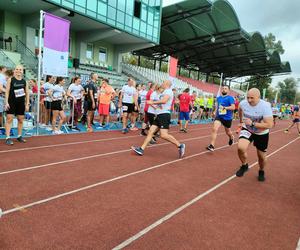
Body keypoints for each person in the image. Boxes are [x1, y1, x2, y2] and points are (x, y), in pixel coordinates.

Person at [131, 80, 186, 158]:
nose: (162, 84)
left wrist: (152, 103)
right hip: (159, 114)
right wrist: (156, 105)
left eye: (163, 82)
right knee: (151, 131)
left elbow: (164, 101)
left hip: (164, 115)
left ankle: (180, 145)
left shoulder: (168, 91)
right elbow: (162, 103)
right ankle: (141, 149)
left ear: (167, 84)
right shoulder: (164, 92)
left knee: (163, 135)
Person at [235, 88, 273, 182]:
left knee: (261, 157)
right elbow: (239, 109)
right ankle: (244, 165)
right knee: (241, 147)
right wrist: (240, 121)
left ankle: (261, 170)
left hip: (261, 132)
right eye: (248, 97)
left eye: (252, 98)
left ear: (259, 97)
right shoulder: (243, 103)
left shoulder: (265, 106)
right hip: (248, 129)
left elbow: (269, 125)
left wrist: (252, 123)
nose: (249, 100)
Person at [4, 65, 30, 145]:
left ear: (22, 71)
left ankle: (19, 136)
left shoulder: (24, 81)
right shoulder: (10, 80)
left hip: (21, 103)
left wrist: (27, 104)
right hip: (12, 102)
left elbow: (27, 93)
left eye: (20, 69)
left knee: (21, 119)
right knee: (9, 119)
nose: (18, 71)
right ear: (14, 70)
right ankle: (8, 137)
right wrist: (6, 102)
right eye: (17, 69)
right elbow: (7, 91)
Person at [206, 85, 235, 151]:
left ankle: (231, 137)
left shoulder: (230, 98)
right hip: (219, 116)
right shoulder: (218, 98)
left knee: (228, 132)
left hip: (227, 118)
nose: (224, 89)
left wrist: (225, 108)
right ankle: (212, 145)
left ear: (228, 91)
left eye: (225, 89)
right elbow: (217, 106)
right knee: (214, 129)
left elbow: (233, 107)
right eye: (223, 88)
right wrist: (214, 112)